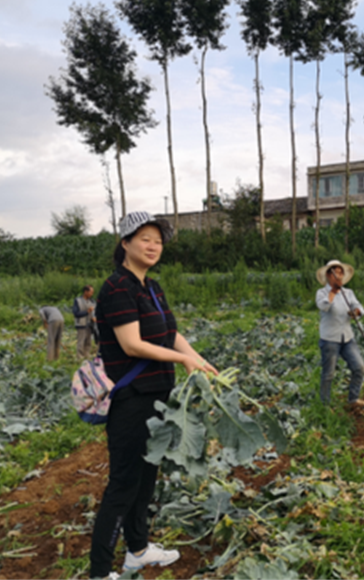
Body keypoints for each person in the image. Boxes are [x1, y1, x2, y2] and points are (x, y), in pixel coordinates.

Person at [89, 211, 218, 580]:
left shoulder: (152, 288)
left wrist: (199, 360)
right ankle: (99, 572)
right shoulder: (117, 287)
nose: (152, 246)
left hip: (158, 395)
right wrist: (182, 359)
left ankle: (138, 551)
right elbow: (132, 345)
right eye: (144, 238)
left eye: (158, 240)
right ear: (125, 243)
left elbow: (171, 335)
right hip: (131, 398)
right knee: (124, 484)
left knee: (147, 478)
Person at [315, 259, 364, 408]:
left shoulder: (348, 293)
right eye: (334, 273)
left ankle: (353, 399)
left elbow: (359, 307)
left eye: (340, 273)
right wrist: (333, 291)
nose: (338, 276)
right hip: (329, 339)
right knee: (329, 374)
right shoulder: (322, 293)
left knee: (359, 367)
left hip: (347, 337)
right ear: (328, 276)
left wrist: (356, 312)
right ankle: (325, 405)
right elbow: (324, 306)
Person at [72, 284, 96, 359]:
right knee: (81, 341)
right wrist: (87, 312)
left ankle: (87, 354)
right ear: (85, 292)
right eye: (91, 292)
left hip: (90, 324)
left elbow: (95, 312)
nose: (92, 294)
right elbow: (75, 313)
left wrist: (94, 317)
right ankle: (80, 356)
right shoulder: (77, 301)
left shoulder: (92, 301)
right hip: (81, 324)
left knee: (88, 341)